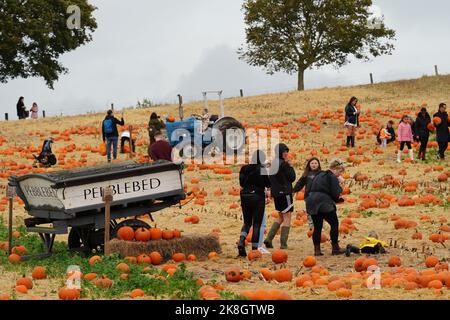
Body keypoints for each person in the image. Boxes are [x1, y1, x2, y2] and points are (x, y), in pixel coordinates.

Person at [305, 159, 346, 256]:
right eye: (340, 172)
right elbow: (336, 193)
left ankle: (317, 250)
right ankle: (335, 248)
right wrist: (340, 185)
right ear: (336, 168)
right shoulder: (332, 177)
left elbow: (310, 187)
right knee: (334, 224)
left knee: (317, 226)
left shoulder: (319, 174)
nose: (339, 174)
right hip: (323, 202)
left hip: (311, 201)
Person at [237, 150, 271, 257]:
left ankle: (242, 240)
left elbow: (241, 183)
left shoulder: (244, 168)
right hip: (257, 196)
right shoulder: (262, 169)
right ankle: (254, 250)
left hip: (245, 195)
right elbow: (268, 184)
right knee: (257, 223)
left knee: (247, 222)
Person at [264, 143, 296, 250]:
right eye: (284, 151)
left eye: (287, 151)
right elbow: (292, 178)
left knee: (280, 216)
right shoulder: (284, 164)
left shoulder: (273, 163)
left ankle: (269, 238)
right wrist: (291, 167)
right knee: (287, 217)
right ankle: (283, 244)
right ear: (280, 153)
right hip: (285, 193)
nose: (286, 153)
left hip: (276, 194)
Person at [293, 157, 322, 230]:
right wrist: (294, 190)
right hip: (309, 197)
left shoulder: (322, 174)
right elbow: (300, 183)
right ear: (309, 165)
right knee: (310, 212)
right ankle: (311, 226)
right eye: (312, 163)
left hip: (319, 196)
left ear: (318, 164)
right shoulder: (306, 174)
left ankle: (320, 226)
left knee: (319, 211)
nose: (314, 165)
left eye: (315, 163)